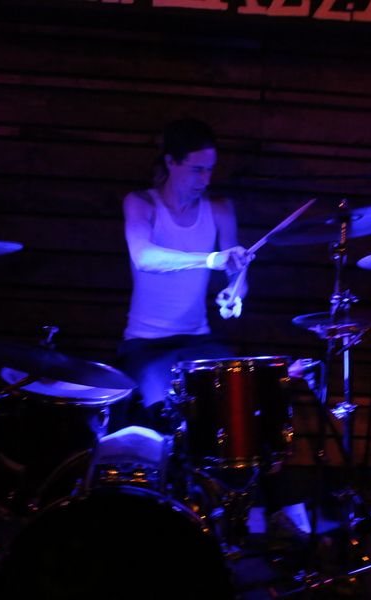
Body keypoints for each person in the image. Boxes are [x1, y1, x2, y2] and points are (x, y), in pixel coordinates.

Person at [118, 118, 252, 424]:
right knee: (163, 414)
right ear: (171, 162)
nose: (205, 179)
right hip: (145, 344)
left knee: (232, 403)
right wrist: (211, 260)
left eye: (210, 170)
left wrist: (234, 292)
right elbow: (144, 257)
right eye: (197, 169)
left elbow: (236, 273)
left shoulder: (220, 208)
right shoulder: (140, 203)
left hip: (198, 340)